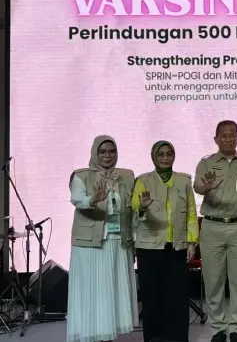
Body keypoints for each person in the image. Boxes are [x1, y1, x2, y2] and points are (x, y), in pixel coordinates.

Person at [194, 121, 237, 342]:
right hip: (212, 226)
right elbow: (197, 187)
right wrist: (207, 187)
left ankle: (236, 328)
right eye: (223, 135)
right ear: (216, 139)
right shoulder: (206, 163)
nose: (228, 139)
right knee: (213, 280)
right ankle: (218, 328)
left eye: (232, 135)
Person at [66, 135, 138, 342]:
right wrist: (93, 199)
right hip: (90, 244)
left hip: (118, 241)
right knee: (92, 290)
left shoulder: (127, 176)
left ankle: (106, 335)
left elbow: (132, 211)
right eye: (103, 152)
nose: (108, 156)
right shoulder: (81, 176)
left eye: (112, 151)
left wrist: (133, 241)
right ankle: (91, 335)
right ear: (95, 153)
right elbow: (78, 200)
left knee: (111, 292)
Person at [132, 141, 200, 342]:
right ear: (154, 157)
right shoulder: (143, 181)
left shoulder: (184, 181)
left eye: (169, 154)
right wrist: (142, 207)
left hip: (176, 246)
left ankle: (177, 337)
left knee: (177, 296)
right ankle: (154, 337)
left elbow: (191, 213)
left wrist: (191, 242)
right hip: (149, 247)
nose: (165, 157)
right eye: (160, 154)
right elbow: (135, 208)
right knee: (152, 296)